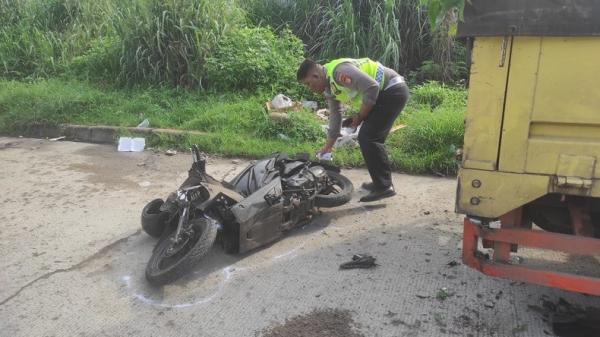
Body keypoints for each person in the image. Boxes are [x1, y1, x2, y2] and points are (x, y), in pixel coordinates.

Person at [297, 57, 409, 202]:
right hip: (384, 94)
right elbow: (335, 117)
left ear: (316, 76)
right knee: (370, 137)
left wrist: (360, 116)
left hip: (392, 90)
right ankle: (381, 182)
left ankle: (384, 186)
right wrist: (328, 147)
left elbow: (372, 87)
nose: (310, 89)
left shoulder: (339, 72)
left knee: (368, 137)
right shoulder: (330, 87)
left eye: (308, 84)